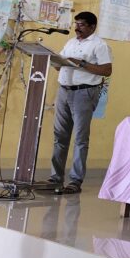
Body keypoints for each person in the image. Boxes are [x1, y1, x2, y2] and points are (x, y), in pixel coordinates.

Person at [49, 11, 113, 195]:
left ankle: (75, 181)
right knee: (60, 136)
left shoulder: (100, 45)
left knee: (80, 138)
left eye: (81, 25)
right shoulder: (70, 42)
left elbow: (107, 70)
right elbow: (59, 65)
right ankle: (55, 178)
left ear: (92, 27)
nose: (77, 28)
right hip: (64, 90)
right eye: (75, 24)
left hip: (84, 92)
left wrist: (82, 64)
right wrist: (55, 61)